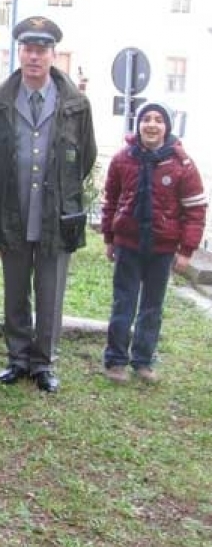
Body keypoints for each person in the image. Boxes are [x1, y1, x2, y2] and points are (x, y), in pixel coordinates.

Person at [0, 16, 96, 393]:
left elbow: (86, 157)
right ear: (20, 52)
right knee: (15, 290)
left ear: (53, 54)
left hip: (56, 214)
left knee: (51, 292)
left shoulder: (77, 105)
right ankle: (17, 359)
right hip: (12, 210)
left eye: (42, 49)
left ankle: (44, 362)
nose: (34, 56)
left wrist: (60, 191)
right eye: (28, 49)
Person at [101, 102, 207, 384]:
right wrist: (109, 239)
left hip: (162, 249)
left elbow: (195, 209)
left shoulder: (182, 164)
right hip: (128, 245)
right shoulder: (123, 159)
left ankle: (143, 361)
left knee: (152, 306)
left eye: (158, 120)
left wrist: (186, 250)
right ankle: (116, 360)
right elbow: (110, 200)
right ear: (138, 125)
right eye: (146, 119)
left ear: (167, 127)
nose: (151, 124)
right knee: (123, 302)